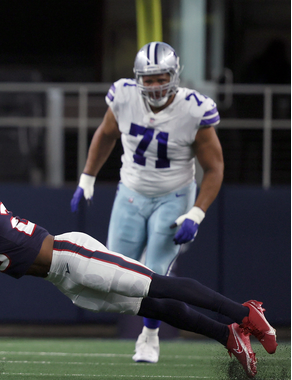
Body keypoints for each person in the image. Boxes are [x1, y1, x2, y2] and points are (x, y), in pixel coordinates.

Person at [0, 173, 277, 378]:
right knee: (150, 304)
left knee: (154, 283)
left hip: (72, 255)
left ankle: (245, 312)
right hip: (62, 280)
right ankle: (226, 334)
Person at [70, 42, 224, 363]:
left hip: (175, 195)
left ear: (174, 76)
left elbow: (214, 167)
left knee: (155, 272)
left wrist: (196, 213)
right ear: (138, 77)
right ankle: (149, 328)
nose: (154, 86)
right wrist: (87, 178)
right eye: (148, 78)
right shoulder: (124, 96)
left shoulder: (194, 109)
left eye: (160, 77)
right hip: (131, 192)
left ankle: (149, 335)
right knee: (117, 271)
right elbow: (106, 133)